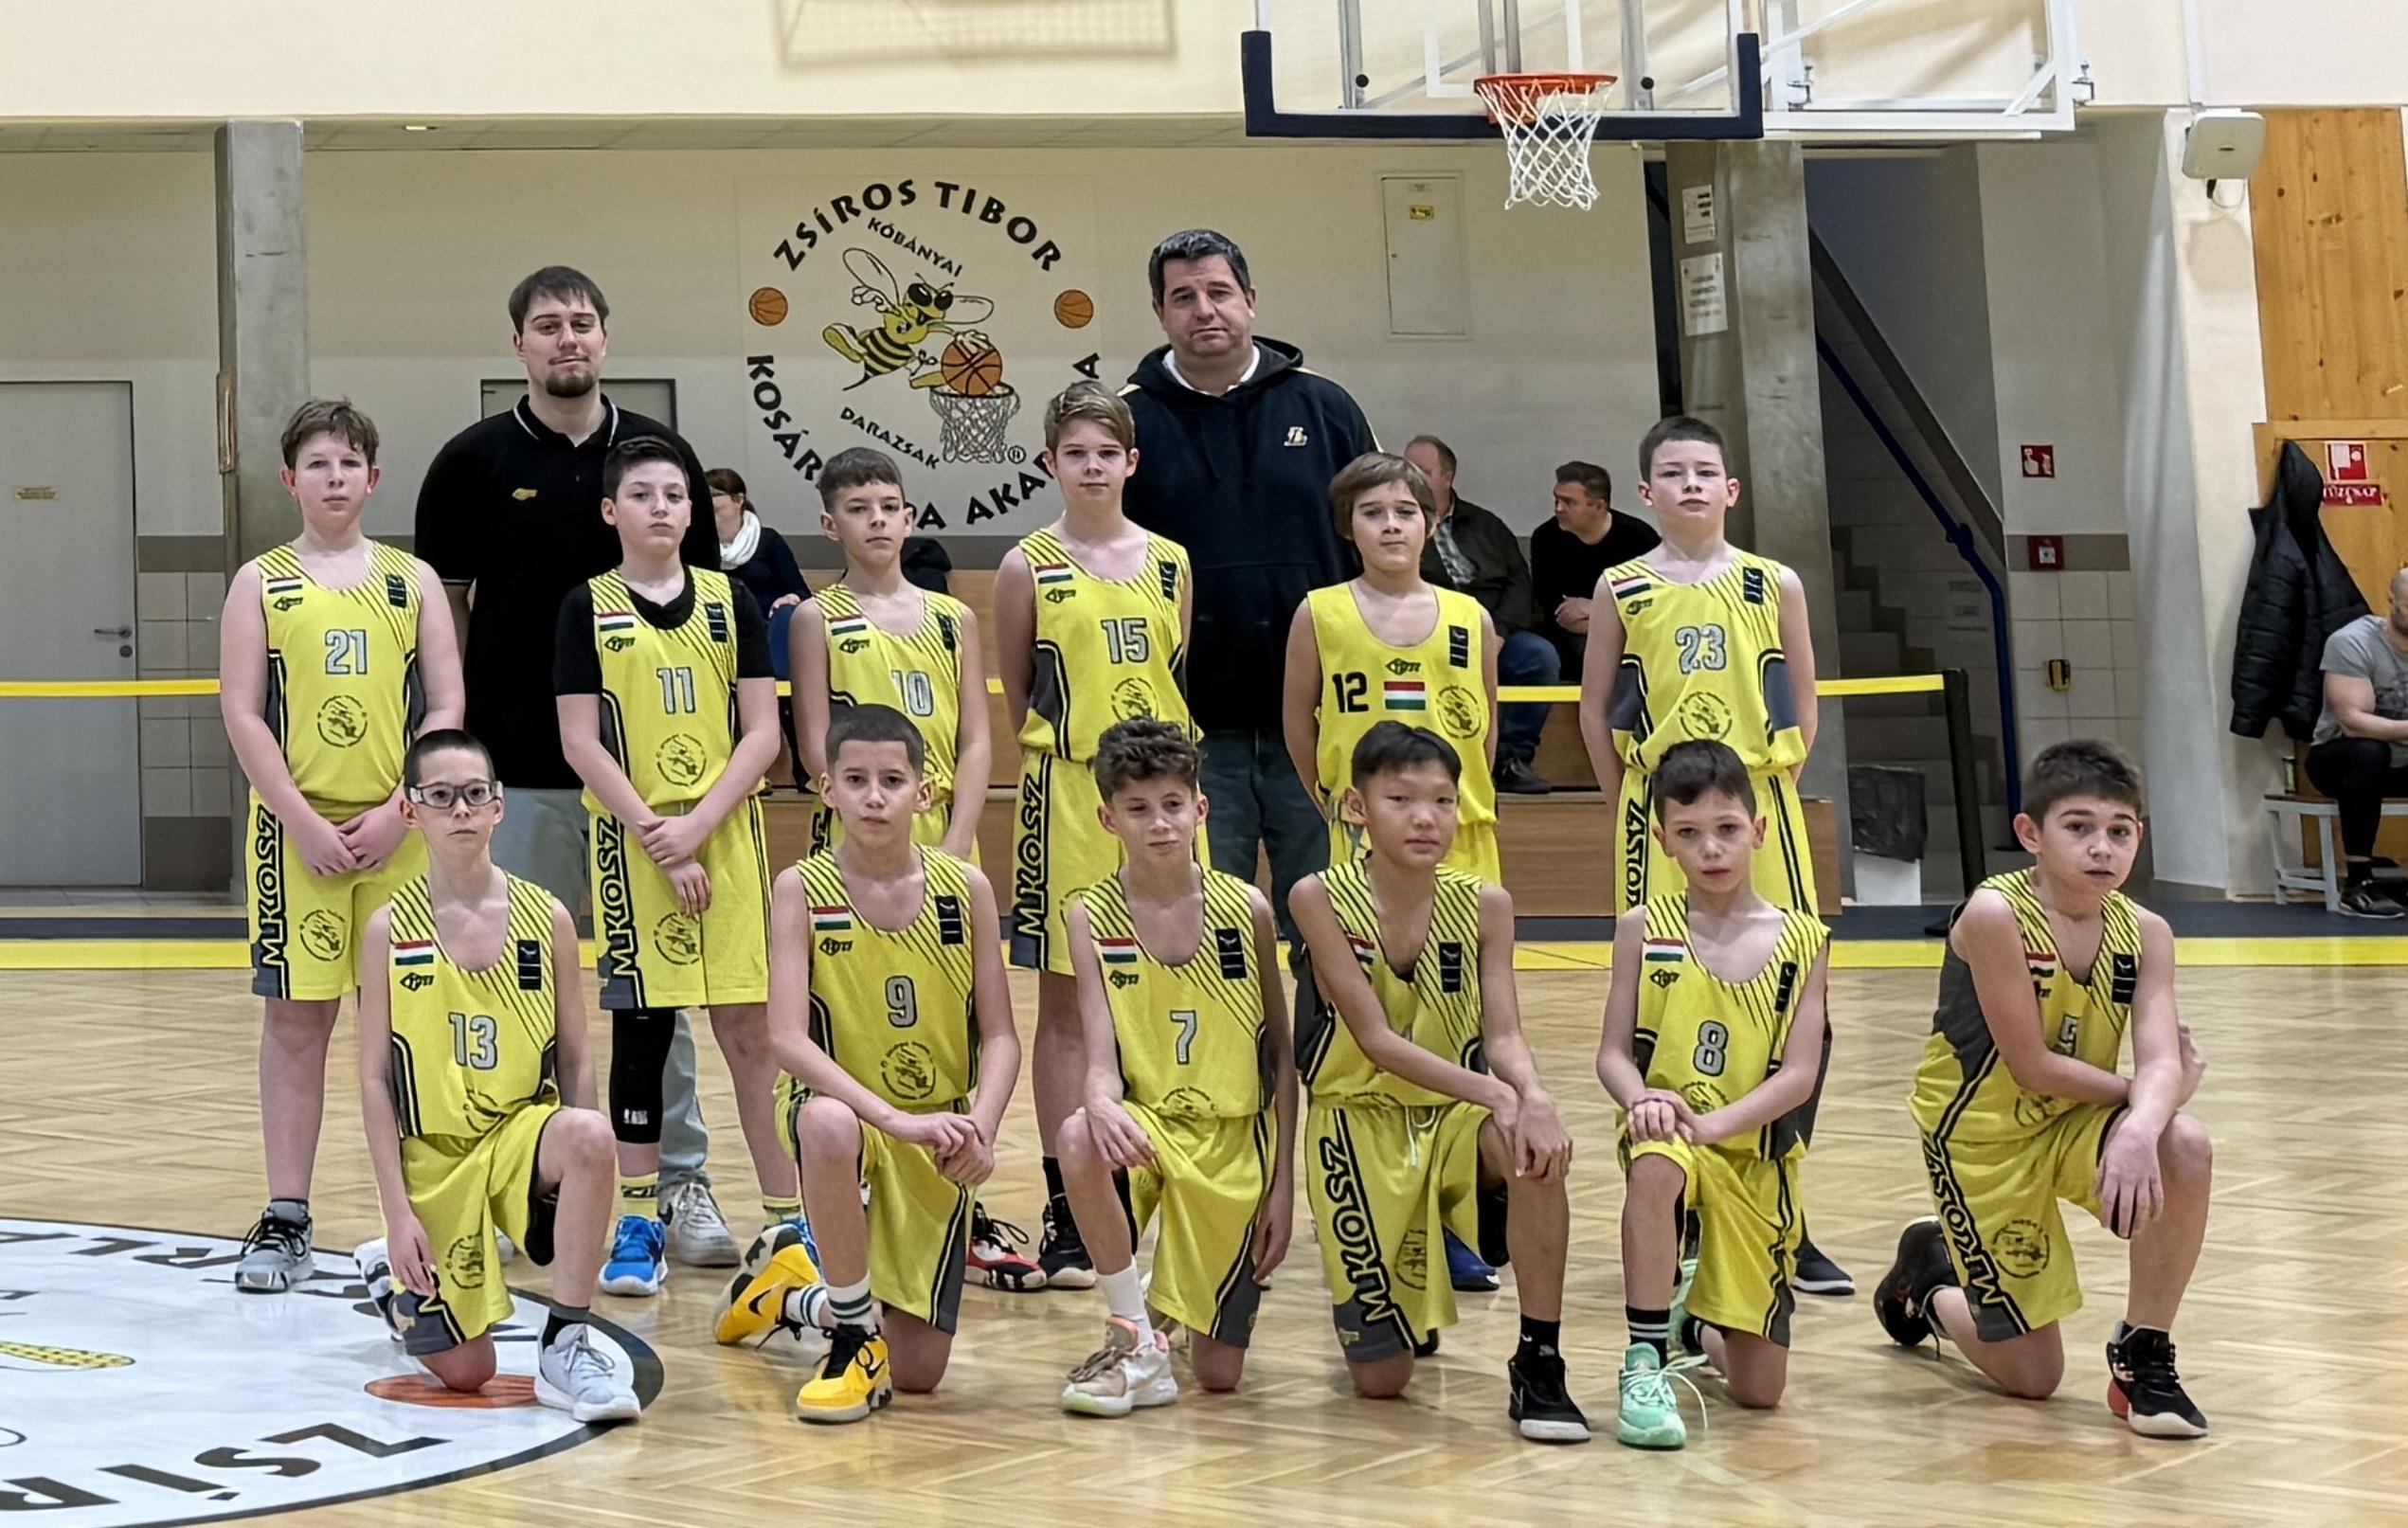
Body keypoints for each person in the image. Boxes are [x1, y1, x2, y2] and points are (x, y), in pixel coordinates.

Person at [415, 264, 737, 1267]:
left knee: (658, 990)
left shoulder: (659, 457)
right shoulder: (469, 462)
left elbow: (705, 612)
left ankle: (675, 1180)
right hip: (521, 769)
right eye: (549, 325)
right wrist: (453, 745)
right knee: (515, 985)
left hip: (651, 787)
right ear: (518, 343)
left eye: (583, 323)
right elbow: (445, 615)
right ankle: (526, 1177)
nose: (568, 339)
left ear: (606, 338)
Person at [1574, 415, 1850, 1296]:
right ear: (1645, 492)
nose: (1690, 484)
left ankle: (1782, 1209)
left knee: (1795, 1006)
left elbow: (1804, 703)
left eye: (1705, 471)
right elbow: (1594, 710)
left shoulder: (1776, 581)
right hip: (1661, 810)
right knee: (1657, 1005)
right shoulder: (1621, 586)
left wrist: (1763, 794)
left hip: (1756, 803)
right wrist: (1631, 804)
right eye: (1672, 472)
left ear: (1731, 488)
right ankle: (1673, 1202)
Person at [1874, 740, 2214, 1440]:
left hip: (2071, 1119)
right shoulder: (1994, 914)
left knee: (2183, 1144)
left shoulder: (2148, 932)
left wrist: (2145, 1123)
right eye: (2079, 827)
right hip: (1980, 1138)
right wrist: (2148, 1093)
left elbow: (2163, 1057)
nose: (2101, 847)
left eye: (2119, 831)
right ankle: (1930, 1279)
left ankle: (2143, 1352)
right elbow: (2031, 1063)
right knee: (2034, 1376)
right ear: (2031, 833)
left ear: (2139, 837)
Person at [218, 399, 463, 1292]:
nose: (333, 478)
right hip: (299, 836)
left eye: (348, 464)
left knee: (410, 1023)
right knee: (296, 1021)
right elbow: (242, 710)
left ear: (373, 478)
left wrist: (405, 807)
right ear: (290, 480)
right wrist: (300, 820)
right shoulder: (261, 582)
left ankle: (431, 1215)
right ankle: (287, 1215)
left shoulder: (412, 580)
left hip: (402, 833)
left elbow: (446, 704)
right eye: (317, 464)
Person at [717, 704, 1022, 1424]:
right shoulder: (801, 887)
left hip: (937, 1128)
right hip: (846, 1110)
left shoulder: (968, 889)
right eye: (855, 780)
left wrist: (980, 1127)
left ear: (925, 792)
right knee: (826, 1122)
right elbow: (787, 1038)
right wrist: (889, 1118)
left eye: (892, 780)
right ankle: (853, 1338)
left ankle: (789, 1294)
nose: (874, 796)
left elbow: (1003, 1036)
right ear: (827, 790)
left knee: (920, 1372)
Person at [1289, 721, 1590, 1444]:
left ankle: (1540, 1359)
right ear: (1357, 808)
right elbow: (1377, 1040)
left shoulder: (1486, 903)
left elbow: (1504, 1035)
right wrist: (1498, 1092)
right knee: (1383, 1378)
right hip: (1358, 1120)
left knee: (1534, 1150)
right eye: (1401, 799)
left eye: (1443, 801)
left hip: (1454, 1118)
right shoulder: (1316, 896)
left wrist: (1534, 1095)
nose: (1426, 817)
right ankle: (1407, 1293)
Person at [554, 436, 794, 1298]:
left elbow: (762, 733)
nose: (661, 506)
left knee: (751, 1032)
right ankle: (640, 1219)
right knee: (643, 1031)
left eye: (674, 494)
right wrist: (660, 832)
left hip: (726, 834)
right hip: (634, 843)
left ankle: (789, 1218)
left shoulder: (733, 602)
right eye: (642, 494)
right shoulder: (585, 606)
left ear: (694, 511)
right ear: (610, 510)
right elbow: (580, 740)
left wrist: (697, 826)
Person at [351, 729, 638, 1421]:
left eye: (475, 794)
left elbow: (576, 1057)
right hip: (436, 1158)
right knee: (468, 1372)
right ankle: (390, 1275)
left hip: (519, 1136)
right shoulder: (388, 929)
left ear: (499, 806)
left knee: (591, 1135)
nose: (461, 809)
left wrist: (584, 1166)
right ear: (411, 811)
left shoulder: (549, 917)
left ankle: (566, 1343)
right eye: (441, 796)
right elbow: (374, 1080)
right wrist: (398, 1214)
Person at [1121, 228, 1376, 950]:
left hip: (1321, 724)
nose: (1204, 310)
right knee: (1206, 930)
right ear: (1160, 313)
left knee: (1335, 929)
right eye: (1183, 297)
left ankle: (1326, 1034)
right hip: (1192, 733)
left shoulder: (1328, 408)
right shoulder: (1128, 420)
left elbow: (1380, 543)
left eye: (1219, 292)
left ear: (1251, 301)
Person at [994, 381, 1196, 1289]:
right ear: (1051, 463)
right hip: (1070, 791)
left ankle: (1172, 1187)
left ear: (1131, 462)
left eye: (1106, 453)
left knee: (1169, 988)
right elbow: (1017, 687)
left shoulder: (1171, 561)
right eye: (1074, 453)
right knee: (1069, 1003)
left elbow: (1177, 667)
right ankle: (1069, 1204)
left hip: (1164, 797)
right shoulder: (1025, 565)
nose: (1091, 467)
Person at [1054, 719, 1296, 1413]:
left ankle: (1171, 1306)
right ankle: (1135, 1333)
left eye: (1172, 804)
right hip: (1150, 1126)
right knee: (1078, 1133)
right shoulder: (1089, 916)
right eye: (1138, 808)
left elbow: (1280, 1055)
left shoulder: (1247, 908)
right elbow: (1101, 1056)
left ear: (1201, 809)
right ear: (1107, 818)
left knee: (1220, 1374)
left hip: (1233, 1139)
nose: (1159, 823)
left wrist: (1284, 1186)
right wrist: (1100, 1102)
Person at [1595, 740, 1830, 1450]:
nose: (1711, 849)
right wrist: (1643, 1101)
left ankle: (1694, 1321)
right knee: (1654, 1160)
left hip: (1753, 1156)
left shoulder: (1804, 939)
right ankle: (1644, 1359)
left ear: (1758, 830)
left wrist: (1715, 1125)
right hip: (1670, 1131)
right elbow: (1612, 1054)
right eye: (1690, 833)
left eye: (1727, 829)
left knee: (1760, 1391)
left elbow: (1799, 1075)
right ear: (1663, 840)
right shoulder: (1642, 929)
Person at [1285, 450, 1501, 884]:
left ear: (1430, 523)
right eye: (1372, 513)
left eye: (1405, 511)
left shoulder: (1471, 617)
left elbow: (1486, 727)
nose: (1391, 525)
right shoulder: (1318, 613)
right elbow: (1297, 725)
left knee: (1467, 930)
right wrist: (1332, 800)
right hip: (1361, 828)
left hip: (1459, 828)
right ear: (1348, 526)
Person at [788, 447, 991, 866]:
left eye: (889, 507)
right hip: (854, 822)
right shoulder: (816, 618)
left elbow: (975, 742)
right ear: (830, 526)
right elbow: (815, 750)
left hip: (941, 822)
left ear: (908, 519)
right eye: (858, 509)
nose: (877, 519)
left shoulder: (955, 618)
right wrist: (876, 805)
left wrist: (959, 838)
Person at [1402, 436, 1554, 796]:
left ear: (1448, 477)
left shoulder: (1486, 524)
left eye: (1422, 471)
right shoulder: (1401, 525)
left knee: (1539, 657)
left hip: (1494, 629)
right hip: (1431, 630)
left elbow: (1518, 581)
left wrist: (1497, 632)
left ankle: (1510, 759)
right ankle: (1435, 760)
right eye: (1406, 470)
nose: (1411, 479)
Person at [2304, 566, 2408, 918]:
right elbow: (2353, 722)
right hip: (2339, 759)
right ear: (2391, 601)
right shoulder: (2352, 642)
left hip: (2401, 761)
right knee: (2368, 752)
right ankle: (2358, 882)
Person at [1529, 460, 1661, 674]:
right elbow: (1550, 604)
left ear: (1599, 506)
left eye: (1569, 502)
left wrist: (1595, 611)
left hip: (1631, 631)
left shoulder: (1639, 537)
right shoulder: (1546, 538)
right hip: (1569, 634)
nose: (1558, 508)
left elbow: (1654, 600)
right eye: (1556, 499)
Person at [708, 467, 809, 620]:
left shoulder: (768, 540)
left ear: (739, 500)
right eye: (703, 494)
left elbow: (801, 592)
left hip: (765, 624)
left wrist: (789, 599)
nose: (707, 500)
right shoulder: (699, 546)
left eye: (715, 495)